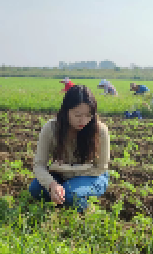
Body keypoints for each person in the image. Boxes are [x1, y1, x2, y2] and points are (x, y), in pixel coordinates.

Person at [29, 85, 110, 214]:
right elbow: (39, 165)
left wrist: (64, 171)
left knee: (69, 193)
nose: (83, 120)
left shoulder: (99, 131)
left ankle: (89, 209)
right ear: (66, 111)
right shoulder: (51, 128)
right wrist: (52, 185)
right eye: (77, 115)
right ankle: (66, 199)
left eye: (89, 115)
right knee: (35, 189)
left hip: (92, 176)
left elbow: (100, 168)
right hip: (61, 174)